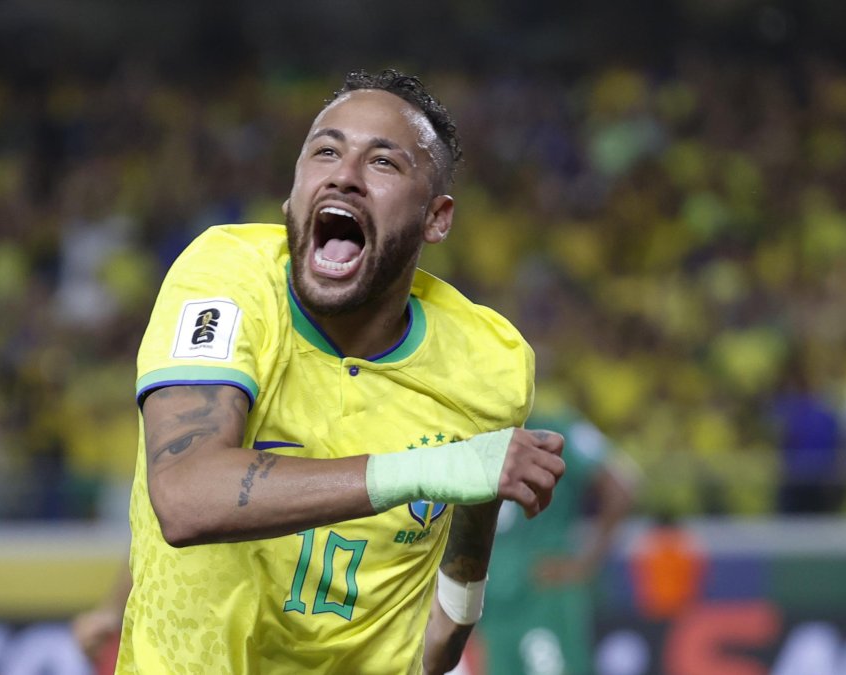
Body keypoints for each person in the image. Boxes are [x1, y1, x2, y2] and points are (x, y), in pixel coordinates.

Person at [118, 69, 567, 674]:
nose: (345, 175)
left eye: (384, 163)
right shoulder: (227, 281)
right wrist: (434, 468)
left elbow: (471, 528)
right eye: (325, 151)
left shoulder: (487, 363)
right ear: (293, 194)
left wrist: (454, 622)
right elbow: (185, 496)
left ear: (436, 219)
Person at [480, 395, 638, 675]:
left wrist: (583, 563)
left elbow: (621, 487)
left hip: (541, 588)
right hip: (489, 595)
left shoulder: (555, 427)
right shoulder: (468, 432)